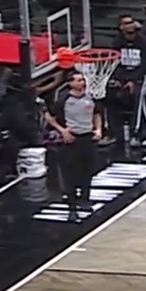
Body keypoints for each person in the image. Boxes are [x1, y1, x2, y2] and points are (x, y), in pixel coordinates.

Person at [42, 71, 102, 212]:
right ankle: (72, 202)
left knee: (88, 170)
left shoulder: (90, 97)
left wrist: (98, 129)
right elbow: (48, 115)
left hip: (87, 138)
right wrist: (62, 130)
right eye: (78, 80)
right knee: (71, 172)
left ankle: (85, 199)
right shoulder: (63, 99)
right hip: (71, 139)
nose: (82, 82)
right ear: (70, 83)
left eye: (83, 80)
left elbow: (97, 113)